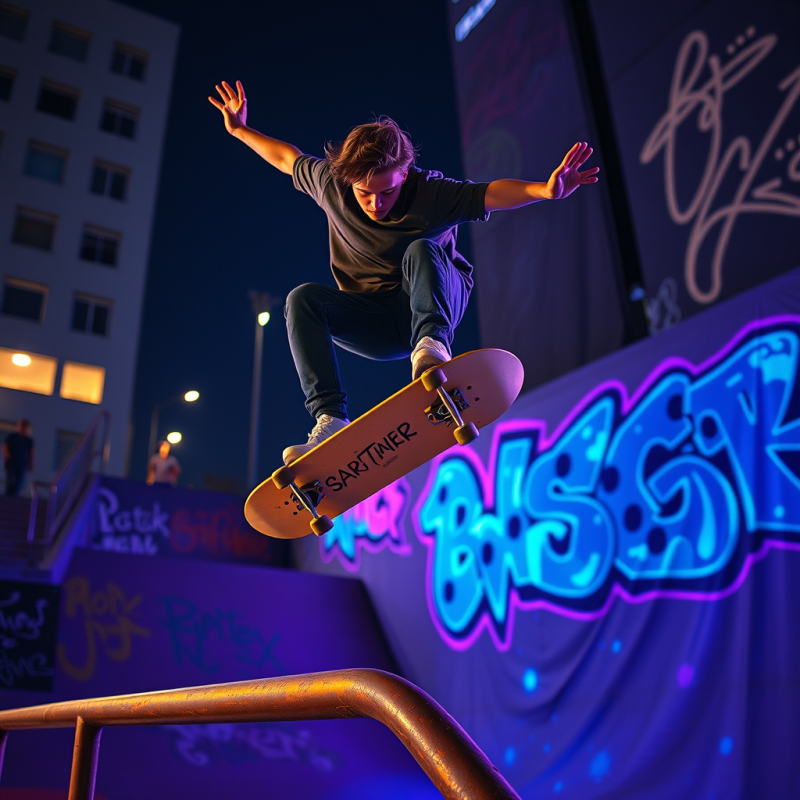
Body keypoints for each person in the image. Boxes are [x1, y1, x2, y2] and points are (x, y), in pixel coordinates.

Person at [209, 81, 598, 465]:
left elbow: (489, 194)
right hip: (375, 322)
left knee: (421, 249)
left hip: (435, 299)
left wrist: (543, 191)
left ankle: (432, 348)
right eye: (365, 193)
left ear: (405, 173)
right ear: (348, 180)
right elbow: (284, 157)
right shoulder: (330, 184)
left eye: (387, 192)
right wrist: (242, 130)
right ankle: (331, 418)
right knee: (301, 299)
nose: (376, 203)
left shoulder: (432, 193)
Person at [3, 418, 34, 496]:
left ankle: (14, 497)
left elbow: (31, 452)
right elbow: (5, 446)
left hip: (22, 464)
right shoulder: (12, 436)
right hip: (11, 463)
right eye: (20, 426)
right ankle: (8, 496)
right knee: (10, 481)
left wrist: (30, 463)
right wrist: (7, 454)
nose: (21, 428)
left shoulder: (28, 440)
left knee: (19, 482)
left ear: (26, 428)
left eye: (24, 426)